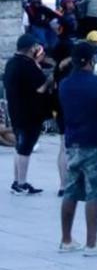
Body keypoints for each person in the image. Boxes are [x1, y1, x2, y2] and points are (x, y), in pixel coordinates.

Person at [58, 42, 97, 256]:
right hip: (95, 142)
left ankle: (66, 239)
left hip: (73, 141)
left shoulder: (65, 84)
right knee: (94, 192)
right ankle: (92, 243)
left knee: (71, 191)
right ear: (90, 61)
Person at [4, 33, 51, 195]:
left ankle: (17, 181)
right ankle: (22, 183)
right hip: (29, 114)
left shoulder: (11, 63)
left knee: (19, 146)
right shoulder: (27, 66)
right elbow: (40, 88)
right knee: (25, 147)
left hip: (16, 111)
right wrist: (49, 80)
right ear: (31, 49)